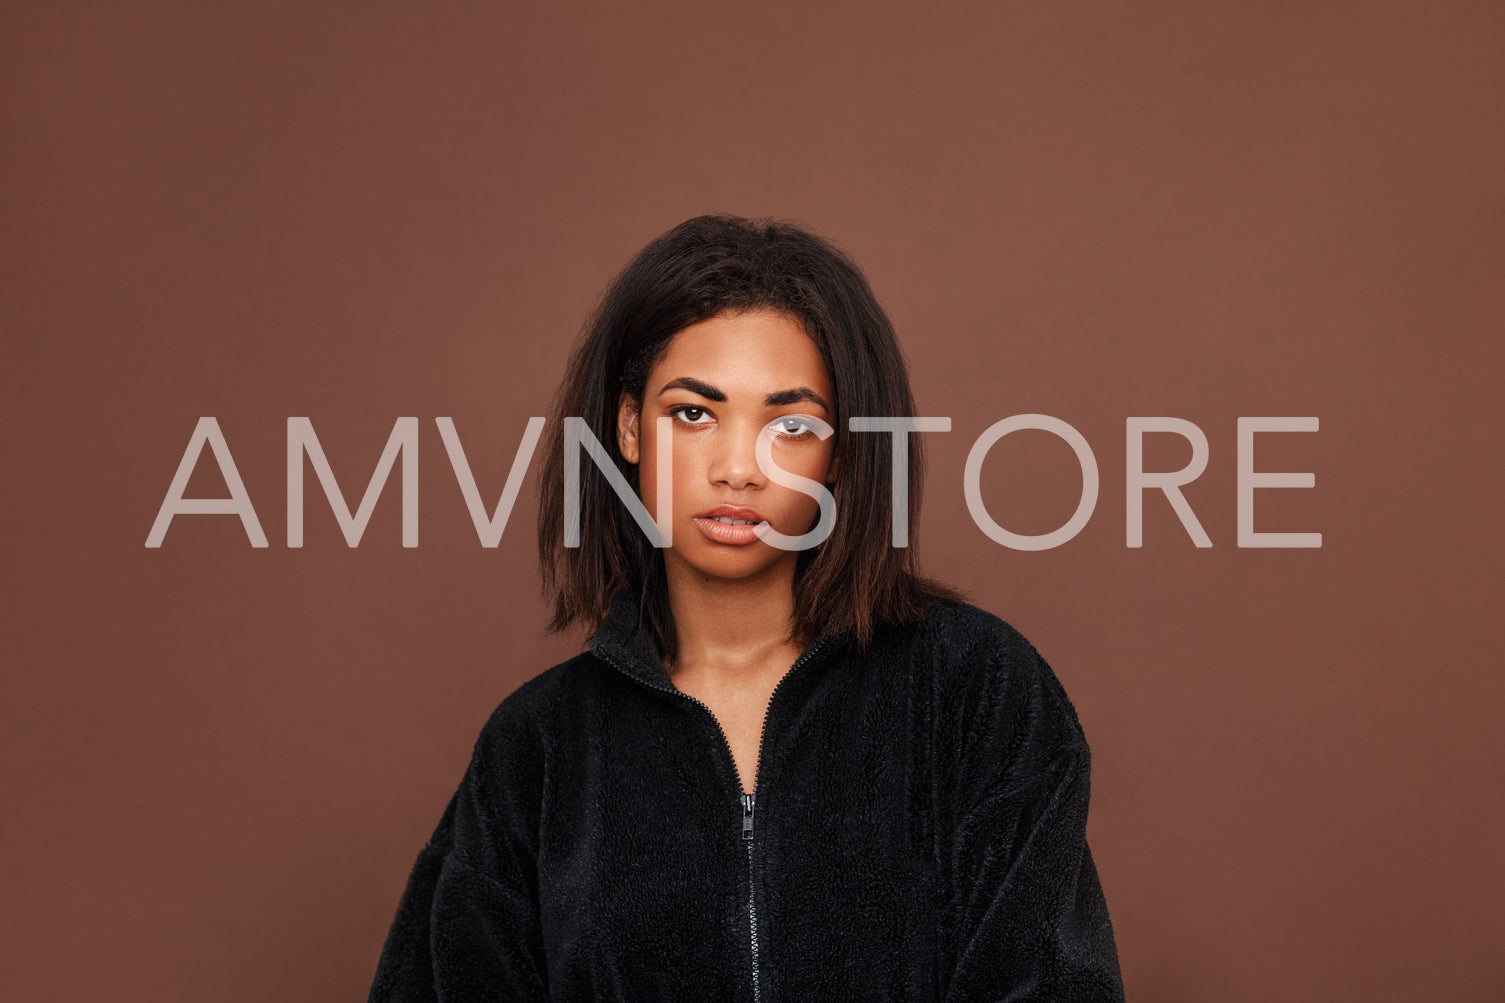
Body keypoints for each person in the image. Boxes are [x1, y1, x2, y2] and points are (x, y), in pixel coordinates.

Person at [367, 215, 1126, 1001]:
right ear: (627, 428)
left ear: (840, 454)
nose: (738, 467)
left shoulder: (975, 690)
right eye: (693, 413)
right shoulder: (537, 748)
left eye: (790, 424)